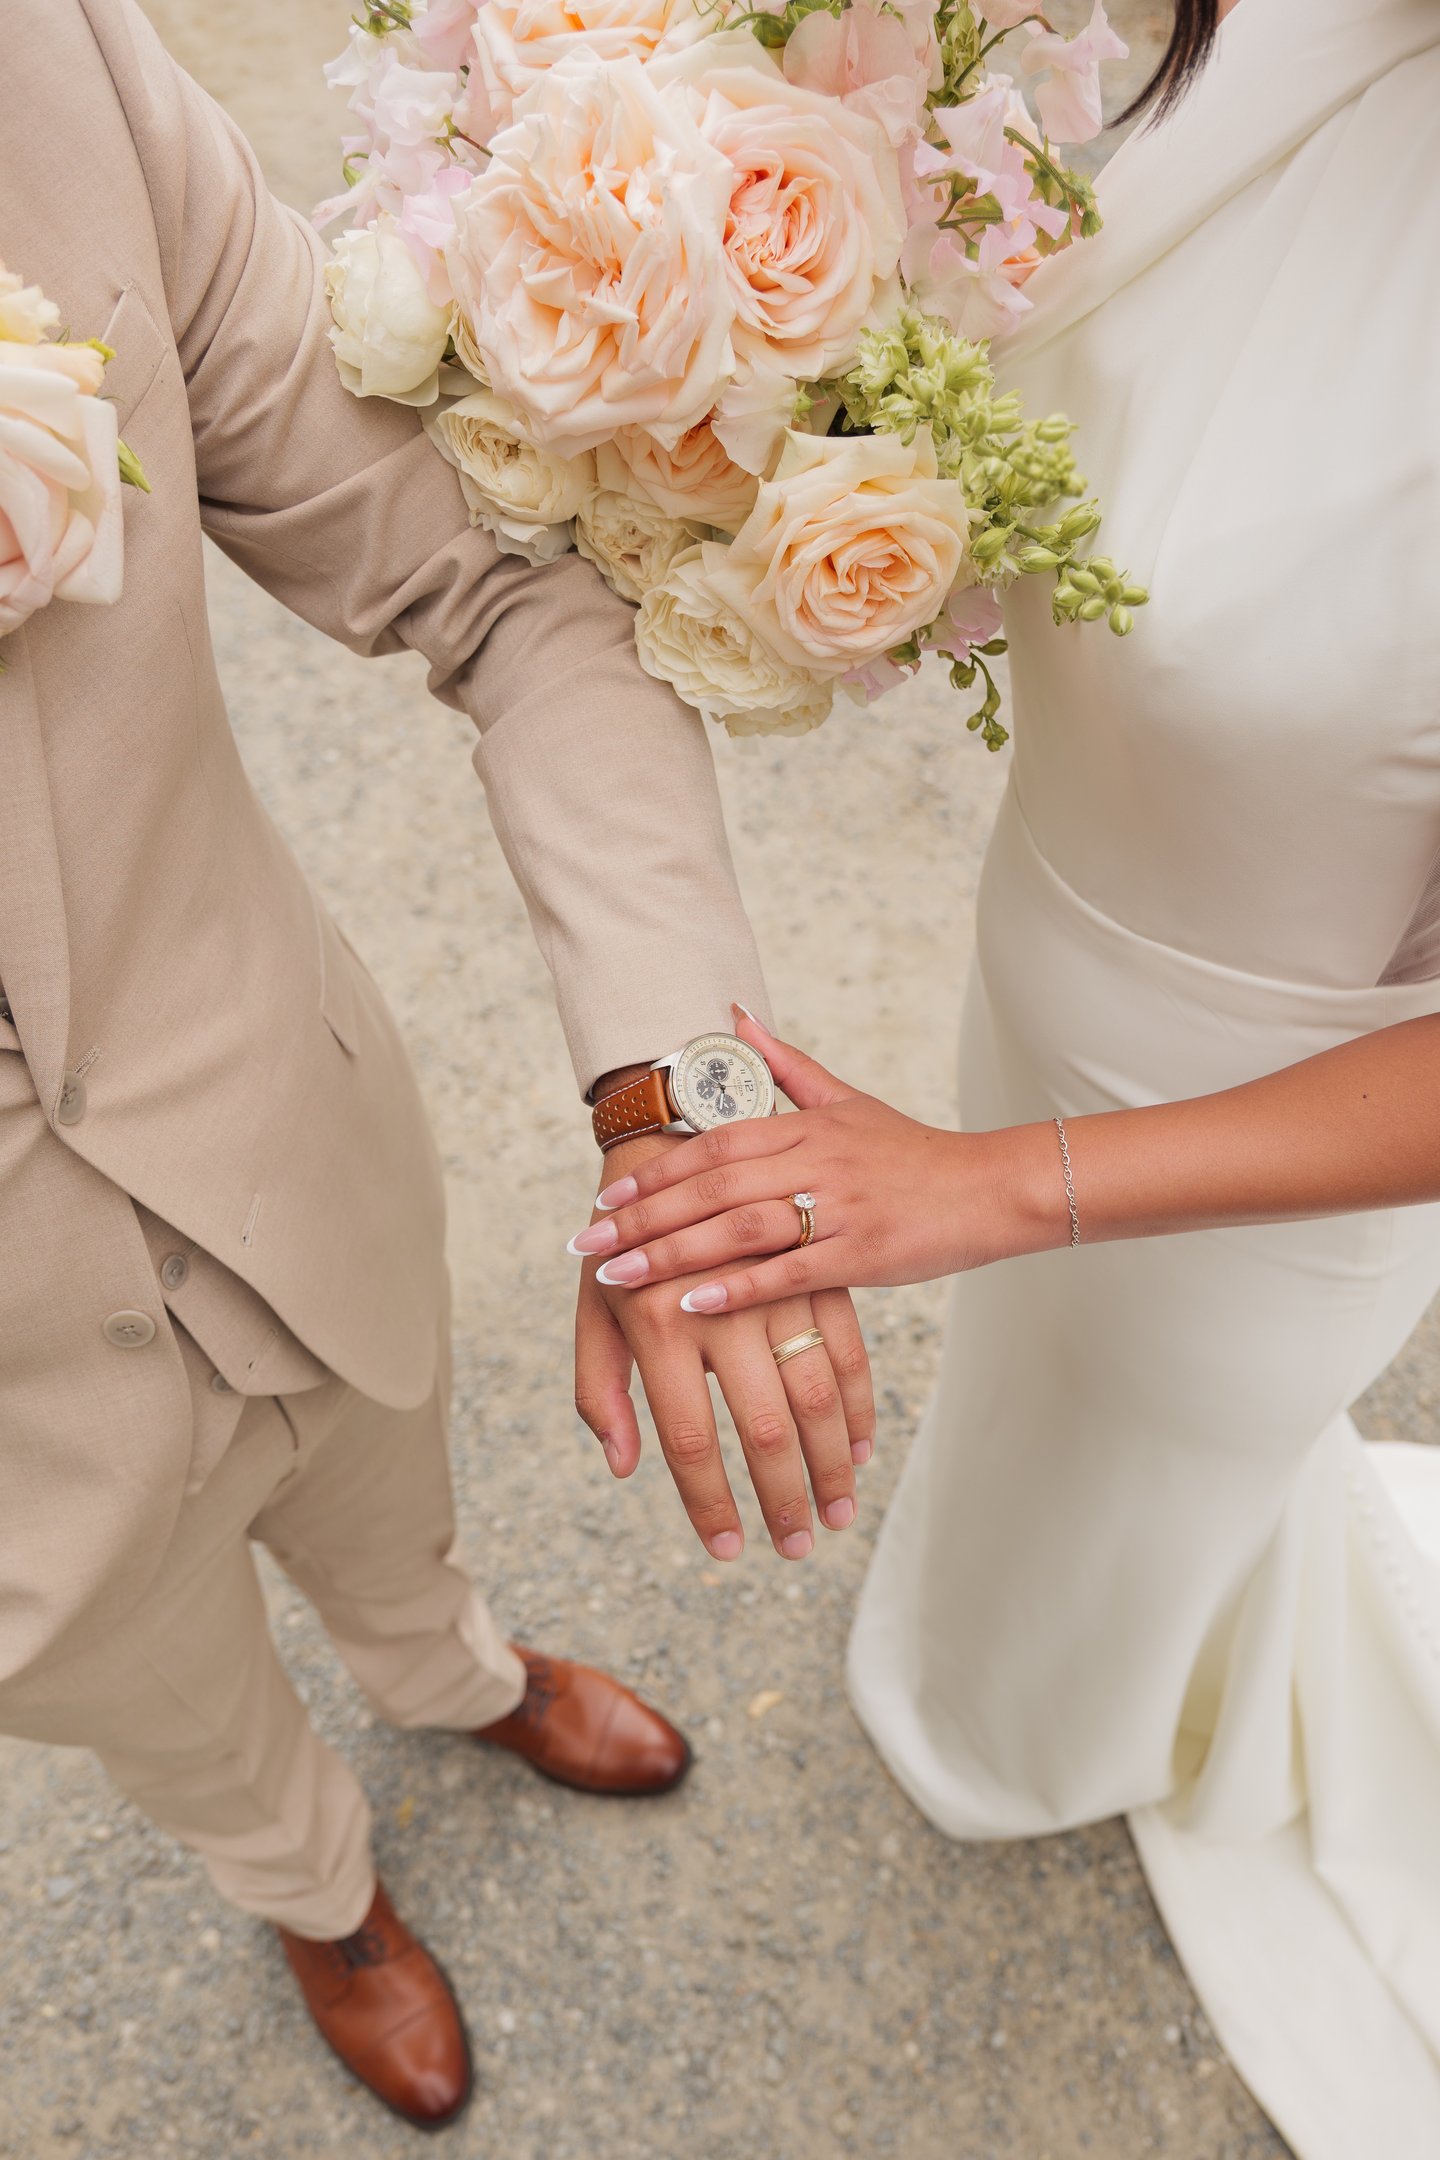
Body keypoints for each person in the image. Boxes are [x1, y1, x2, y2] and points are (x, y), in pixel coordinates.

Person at [572, 0, 1440, 2151]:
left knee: (1143, 1466)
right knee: (1042, 1421)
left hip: (1263, 1150)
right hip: (1044, 953)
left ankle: (1060, 1734)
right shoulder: (1259, 42)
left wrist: (992, 1184)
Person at [0, 0, 872, 2130]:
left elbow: (494, 574)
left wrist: (679, 1101)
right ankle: (322, 1897)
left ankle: (456, 1677)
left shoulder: (49, 63)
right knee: (185, 1717)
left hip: (281, 1116)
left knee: (398, 1509)